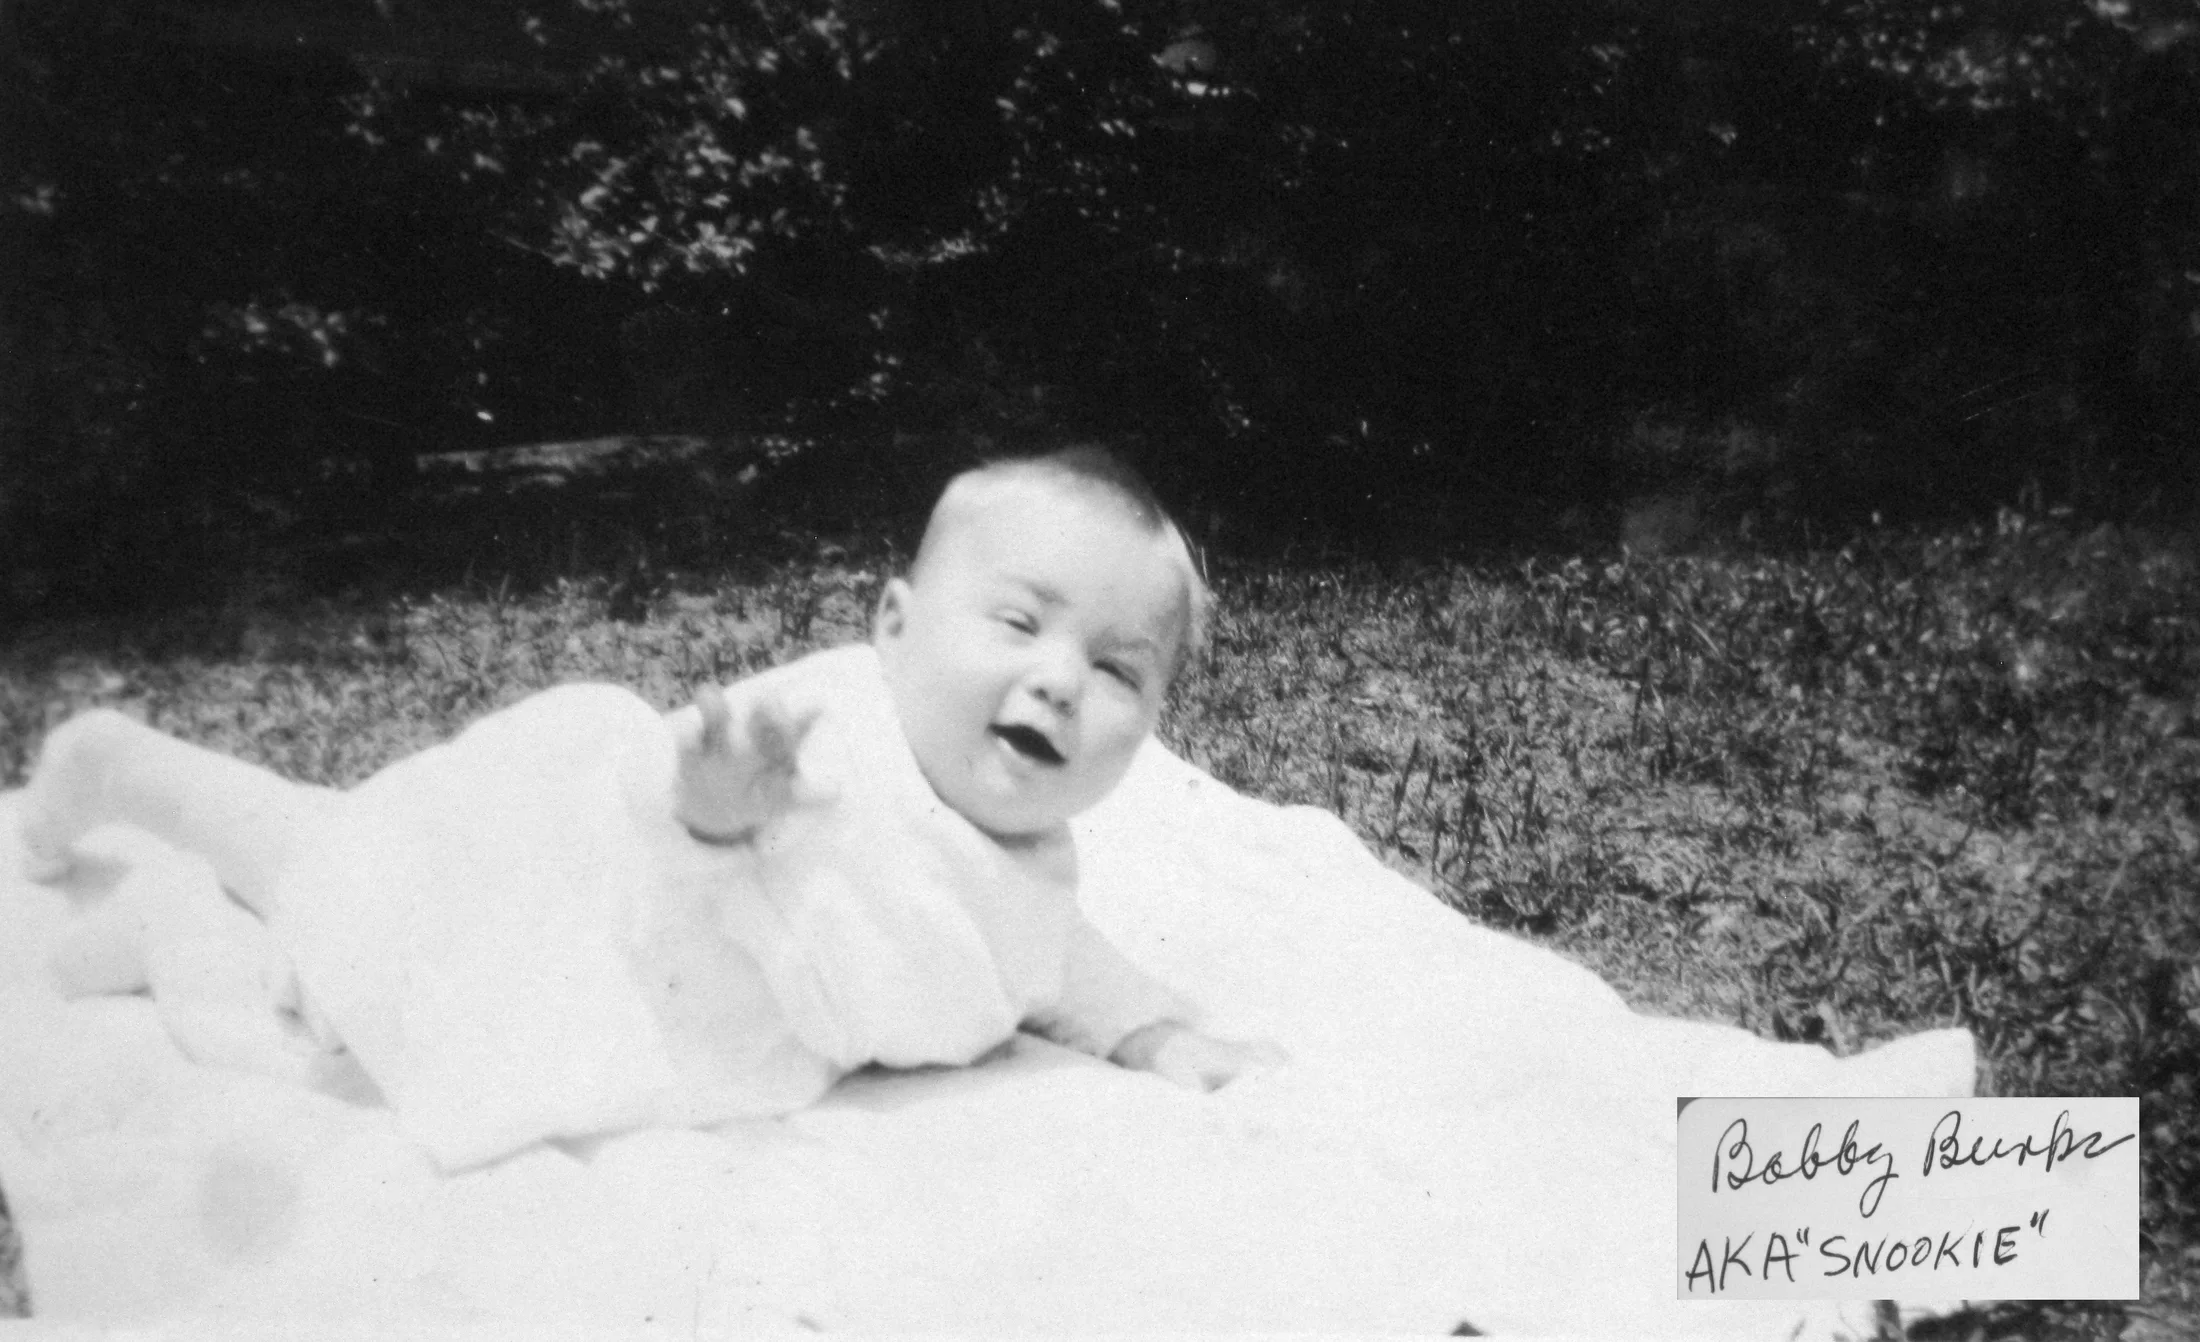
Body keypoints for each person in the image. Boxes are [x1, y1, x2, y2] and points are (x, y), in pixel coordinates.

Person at [15, 447, 1279, 1142]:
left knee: (318, 953)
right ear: (896, 627)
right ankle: (127, 770)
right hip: (553, 922)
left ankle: (161, 918)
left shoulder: (1029, 858)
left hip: (663, 1040)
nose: (1059, 680)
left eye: (1117, 669)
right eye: (1016, 622)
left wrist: (1154, 1034)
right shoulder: (825, 739)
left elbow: (1059, 960)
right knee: (319, 859)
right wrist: (715, 808)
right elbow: (661, 823)